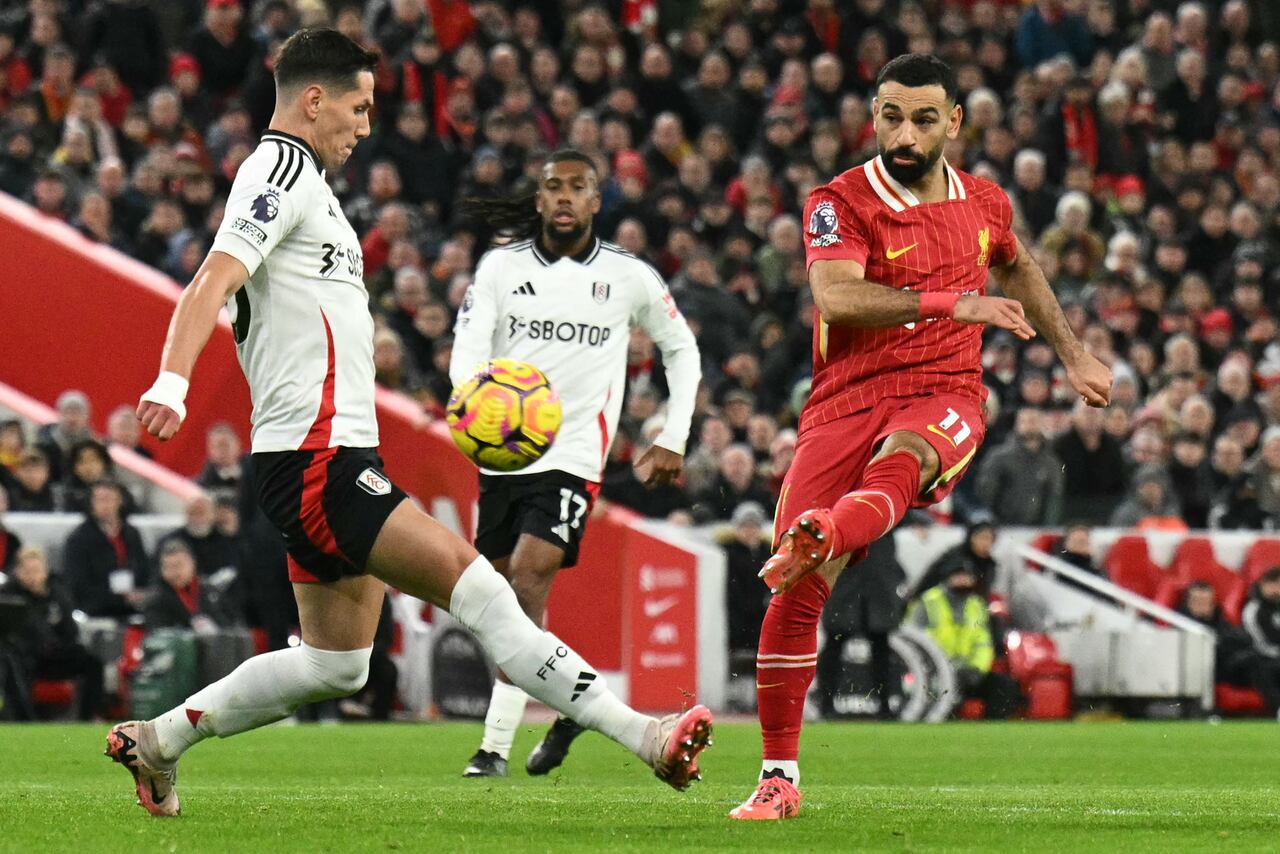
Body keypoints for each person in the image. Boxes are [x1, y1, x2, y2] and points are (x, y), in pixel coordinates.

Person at [110, 29, 711, 819]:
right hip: (318, 460)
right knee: (489, 596)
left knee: (337, 665)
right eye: (357, 107)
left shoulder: (310, 185)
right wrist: (172, 381)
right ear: (314, 100)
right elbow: (211, 280)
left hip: (319, 456)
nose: (365, 125)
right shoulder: (281, 169)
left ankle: (156, 742)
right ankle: (647, 737)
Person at [729, 55, 1110, 821]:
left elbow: (1023, 269)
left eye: (924, 118)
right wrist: (952, 302)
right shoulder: (838, 200)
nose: (904, 133)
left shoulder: (986, 202)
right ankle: (778, 779)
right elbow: (835, 295)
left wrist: (1074, 354)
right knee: (794, 594)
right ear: (874, 115)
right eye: (891, 116)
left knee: (909, 459)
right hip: (844, 399)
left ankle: (827, 529)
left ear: (955, 122)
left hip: (946, 393)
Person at [448, 147, 702, 778]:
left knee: (528, 582)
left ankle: (496, 747)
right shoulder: (501, 269)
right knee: (500, 604)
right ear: (538, 199)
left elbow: (682, 348)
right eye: (552, 186)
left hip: (570, 456)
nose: (564, 197)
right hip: (502, 456)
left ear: (596, 200)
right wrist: (471, 407)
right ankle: (572, 700)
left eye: (577, 187)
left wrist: (675, 432)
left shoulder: (628, 275)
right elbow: (468, 350)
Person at [905, 564, 1022, 719]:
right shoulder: (928, 602)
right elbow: (913, 642)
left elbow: (984, 644)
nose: (963, 580)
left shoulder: (977, 605)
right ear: (948, 577)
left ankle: (990, 733)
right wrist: (939, 670)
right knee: (939, 698)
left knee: (1003, 686)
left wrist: (976, 670)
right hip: (935, 674)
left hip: (968, 672)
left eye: (967, 577)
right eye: (959, 576)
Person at [2, 546, 105, 721]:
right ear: (17, 572)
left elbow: (70, 630)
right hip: (26, 657)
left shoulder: (58, 593)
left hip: (55, 655)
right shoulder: (8, 597)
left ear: (45, 571)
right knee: (13, 663)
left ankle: (88, 718)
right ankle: (24, 719)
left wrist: (59, 645)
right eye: (27, 571)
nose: (32, 576)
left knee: (92, 663)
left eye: (36, 571)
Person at [63, 481, 150, 619]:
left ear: (120, 501)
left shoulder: (131, 534)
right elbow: (78, 586)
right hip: (96, 612)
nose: (105, 505)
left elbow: (144, 569)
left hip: (133, 609)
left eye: (109, 499)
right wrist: (118, 598)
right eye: (100, 500)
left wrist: (141, 593)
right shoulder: (78, 540)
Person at [1240, 567, 1280, 717]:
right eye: (1272, 585)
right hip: (1257, 656)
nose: (1276, 589)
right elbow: (1262, 641)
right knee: (1261, 666)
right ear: (1262, 585)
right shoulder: (1253, 609)